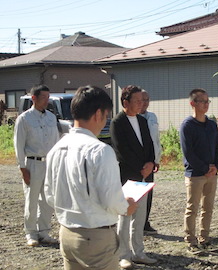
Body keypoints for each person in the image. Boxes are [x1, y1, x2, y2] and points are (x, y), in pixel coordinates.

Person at [44, 85, 137, 269]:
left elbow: (49, 196)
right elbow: (111, 200)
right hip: (96, 237)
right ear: (98, 114)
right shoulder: (100, 151)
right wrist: (127, 206)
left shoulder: (57, 148)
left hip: (67, 232)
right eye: (106, 115)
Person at [110, 85, 157, 269]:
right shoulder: (117, 122)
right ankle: (123, 254)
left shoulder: (143, 121)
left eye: (142, 100)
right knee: (125, 215)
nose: (141, 104)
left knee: (140, 216)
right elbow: (121, 151)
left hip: (145, 175)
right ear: (125, 102)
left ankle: (139, 252)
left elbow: (149, 145)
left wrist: (151, 163)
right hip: (128, 176)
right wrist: (140, 168)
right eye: (137, 101)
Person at [14, 84, 59, 246]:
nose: (47, 100)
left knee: (47, 199)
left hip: (49, 163)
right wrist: (22, 167)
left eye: (48, 97)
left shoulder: (51, 118)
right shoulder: (24, 119)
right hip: (32, 163)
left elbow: (56, 141)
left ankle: (44, 231)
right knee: (32, 198)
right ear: (34, 98)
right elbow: (18, 144)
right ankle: (31, 232)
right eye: (43, 97)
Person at [179, 88, 218, 254]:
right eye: (202, 101)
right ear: (193, 103)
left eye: (207, 101)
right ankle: (190, 240)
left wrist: (216, 166)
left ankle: (205, 237)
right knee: (192, 208)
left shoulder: (211, 124)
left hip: (212, 173)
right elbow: (188, 152)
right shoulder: (187, 125)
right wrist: (204, 168)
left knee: (208, 207)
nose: (206, 104)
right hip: (195, 174)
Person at [140, 89, 162, 234]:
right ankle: (135, 223)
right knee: (137, 194)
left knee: (148, 193)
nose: (145, 103)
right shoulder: (132, 119)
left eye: (147, 99)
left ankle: (145, 221)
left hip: (151, 161)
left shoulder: (152, 116)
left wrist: (157, 159)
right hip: (139, 162)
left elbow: (156, 140)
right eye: (142, 100)